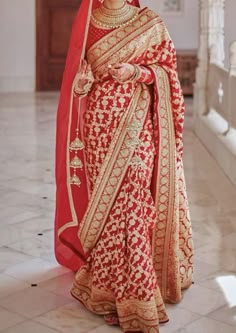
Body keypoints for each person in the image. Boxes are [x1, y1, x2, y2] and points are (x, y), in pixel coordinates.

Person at [54, 0, 194, 332]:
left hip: (138, 123)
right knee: (111, 206)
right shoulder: (87, 24)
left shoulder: (149, 22)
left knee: (134, 199)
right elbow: (79, 80)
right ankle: (109, 286)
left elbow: (167, 70)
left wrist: (137, 72)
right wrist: (82, 84)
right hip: (99, 127)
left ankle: (139, 292)